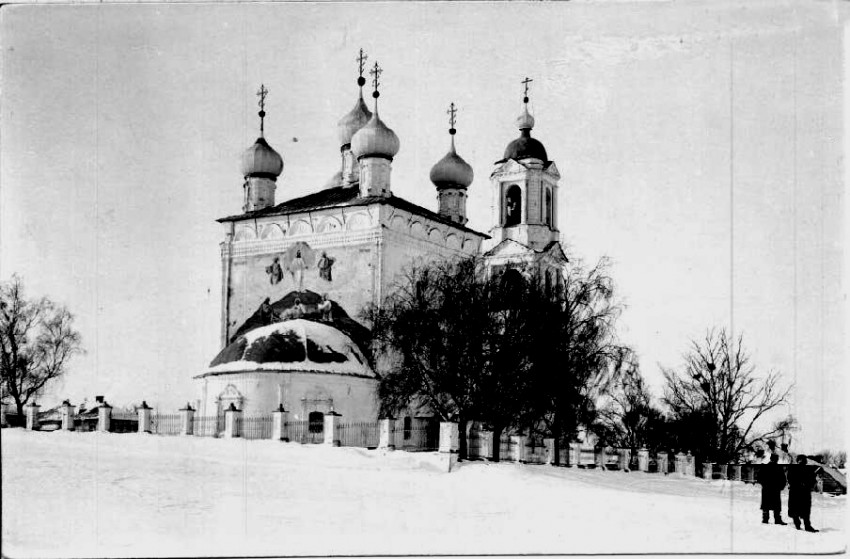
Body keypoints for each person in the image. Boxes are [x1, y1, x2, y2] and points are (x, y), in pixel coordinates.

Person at [787, 455, 819, 532]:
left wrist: (803, 484)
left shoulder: (793, 469)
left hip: (797, 492)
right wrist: (805, 484)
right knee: (803, 510)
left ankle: (800, 524)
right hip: (802, 492)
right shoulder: (807, 469)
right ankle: (804, 525)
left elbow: (789, 479)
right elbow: (813, 481)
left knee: (798, 509)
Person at [758, 453, 788, 525]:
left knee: (767, 505)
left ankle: (765, 519)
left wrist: (764, 484)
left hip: (767, 489)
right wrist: (780, 487)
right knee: (776, 505)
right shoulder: (778, 468)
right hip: (775, 490)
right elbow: (783, 480)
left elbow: (759, 478)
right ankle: (777, 519)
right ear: (776, 460)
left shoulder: (765, 467)